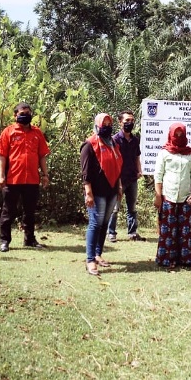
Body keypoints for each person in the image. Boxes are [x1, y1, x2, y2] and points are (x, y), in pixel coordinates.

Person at [0, 102, 51, 252]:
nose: (26, 115)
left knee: (30, 212)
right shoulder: (8, 132)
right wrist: (0, 176)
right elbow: (2, 156)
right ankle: (4, 241)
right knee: (8, 211)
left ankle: (30, 239)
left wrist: (45, 175)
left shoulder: (37, 133)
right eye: (22, 113)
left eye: (28, 113)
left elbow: (42, 156)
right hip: (12, 179)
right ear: (15, 115)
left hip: (32, 179)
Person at [81, 113, 123, 276]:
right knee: (95, 223)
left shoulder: (113, 143)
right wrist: (88, 193)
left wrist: (119, 187)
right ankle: (90, 260)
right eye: (103, 123)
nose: (107, 126)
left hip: (112, 189)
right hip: (96, 191)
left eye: (109, 123)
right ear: (97, 125)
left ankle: (98, 254)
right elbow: (85, 173)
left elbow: (118, 166)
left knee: (105, 222)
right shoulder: (89, 144)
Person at [154, 123, 191, 269]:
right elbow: (158, 176)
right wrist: (158, 196)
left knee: (187, 230)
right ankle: (168, 260)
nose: (178, 137)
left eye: (181, 134)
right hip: (168, 196)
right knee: (169, 230)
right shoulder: (164, 153)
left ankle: (187, 260)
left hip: (186, 197)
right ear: (171, 134)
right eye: (176, 134)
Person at [107, 110, 144, 242]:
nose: (130, 123)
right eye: (127, 120)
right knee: (115, 208)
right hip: (119, 179)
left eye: (132, 120)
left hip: (132, 178)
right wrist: (117, 180)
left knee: (132, 207)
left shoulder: (135, 140)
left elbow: (137, 157)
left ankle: (132, 232)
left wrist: (139, 170)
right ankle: (111, 233)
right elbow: (112, 161)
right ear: (120, 122)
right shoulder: (115, 140)